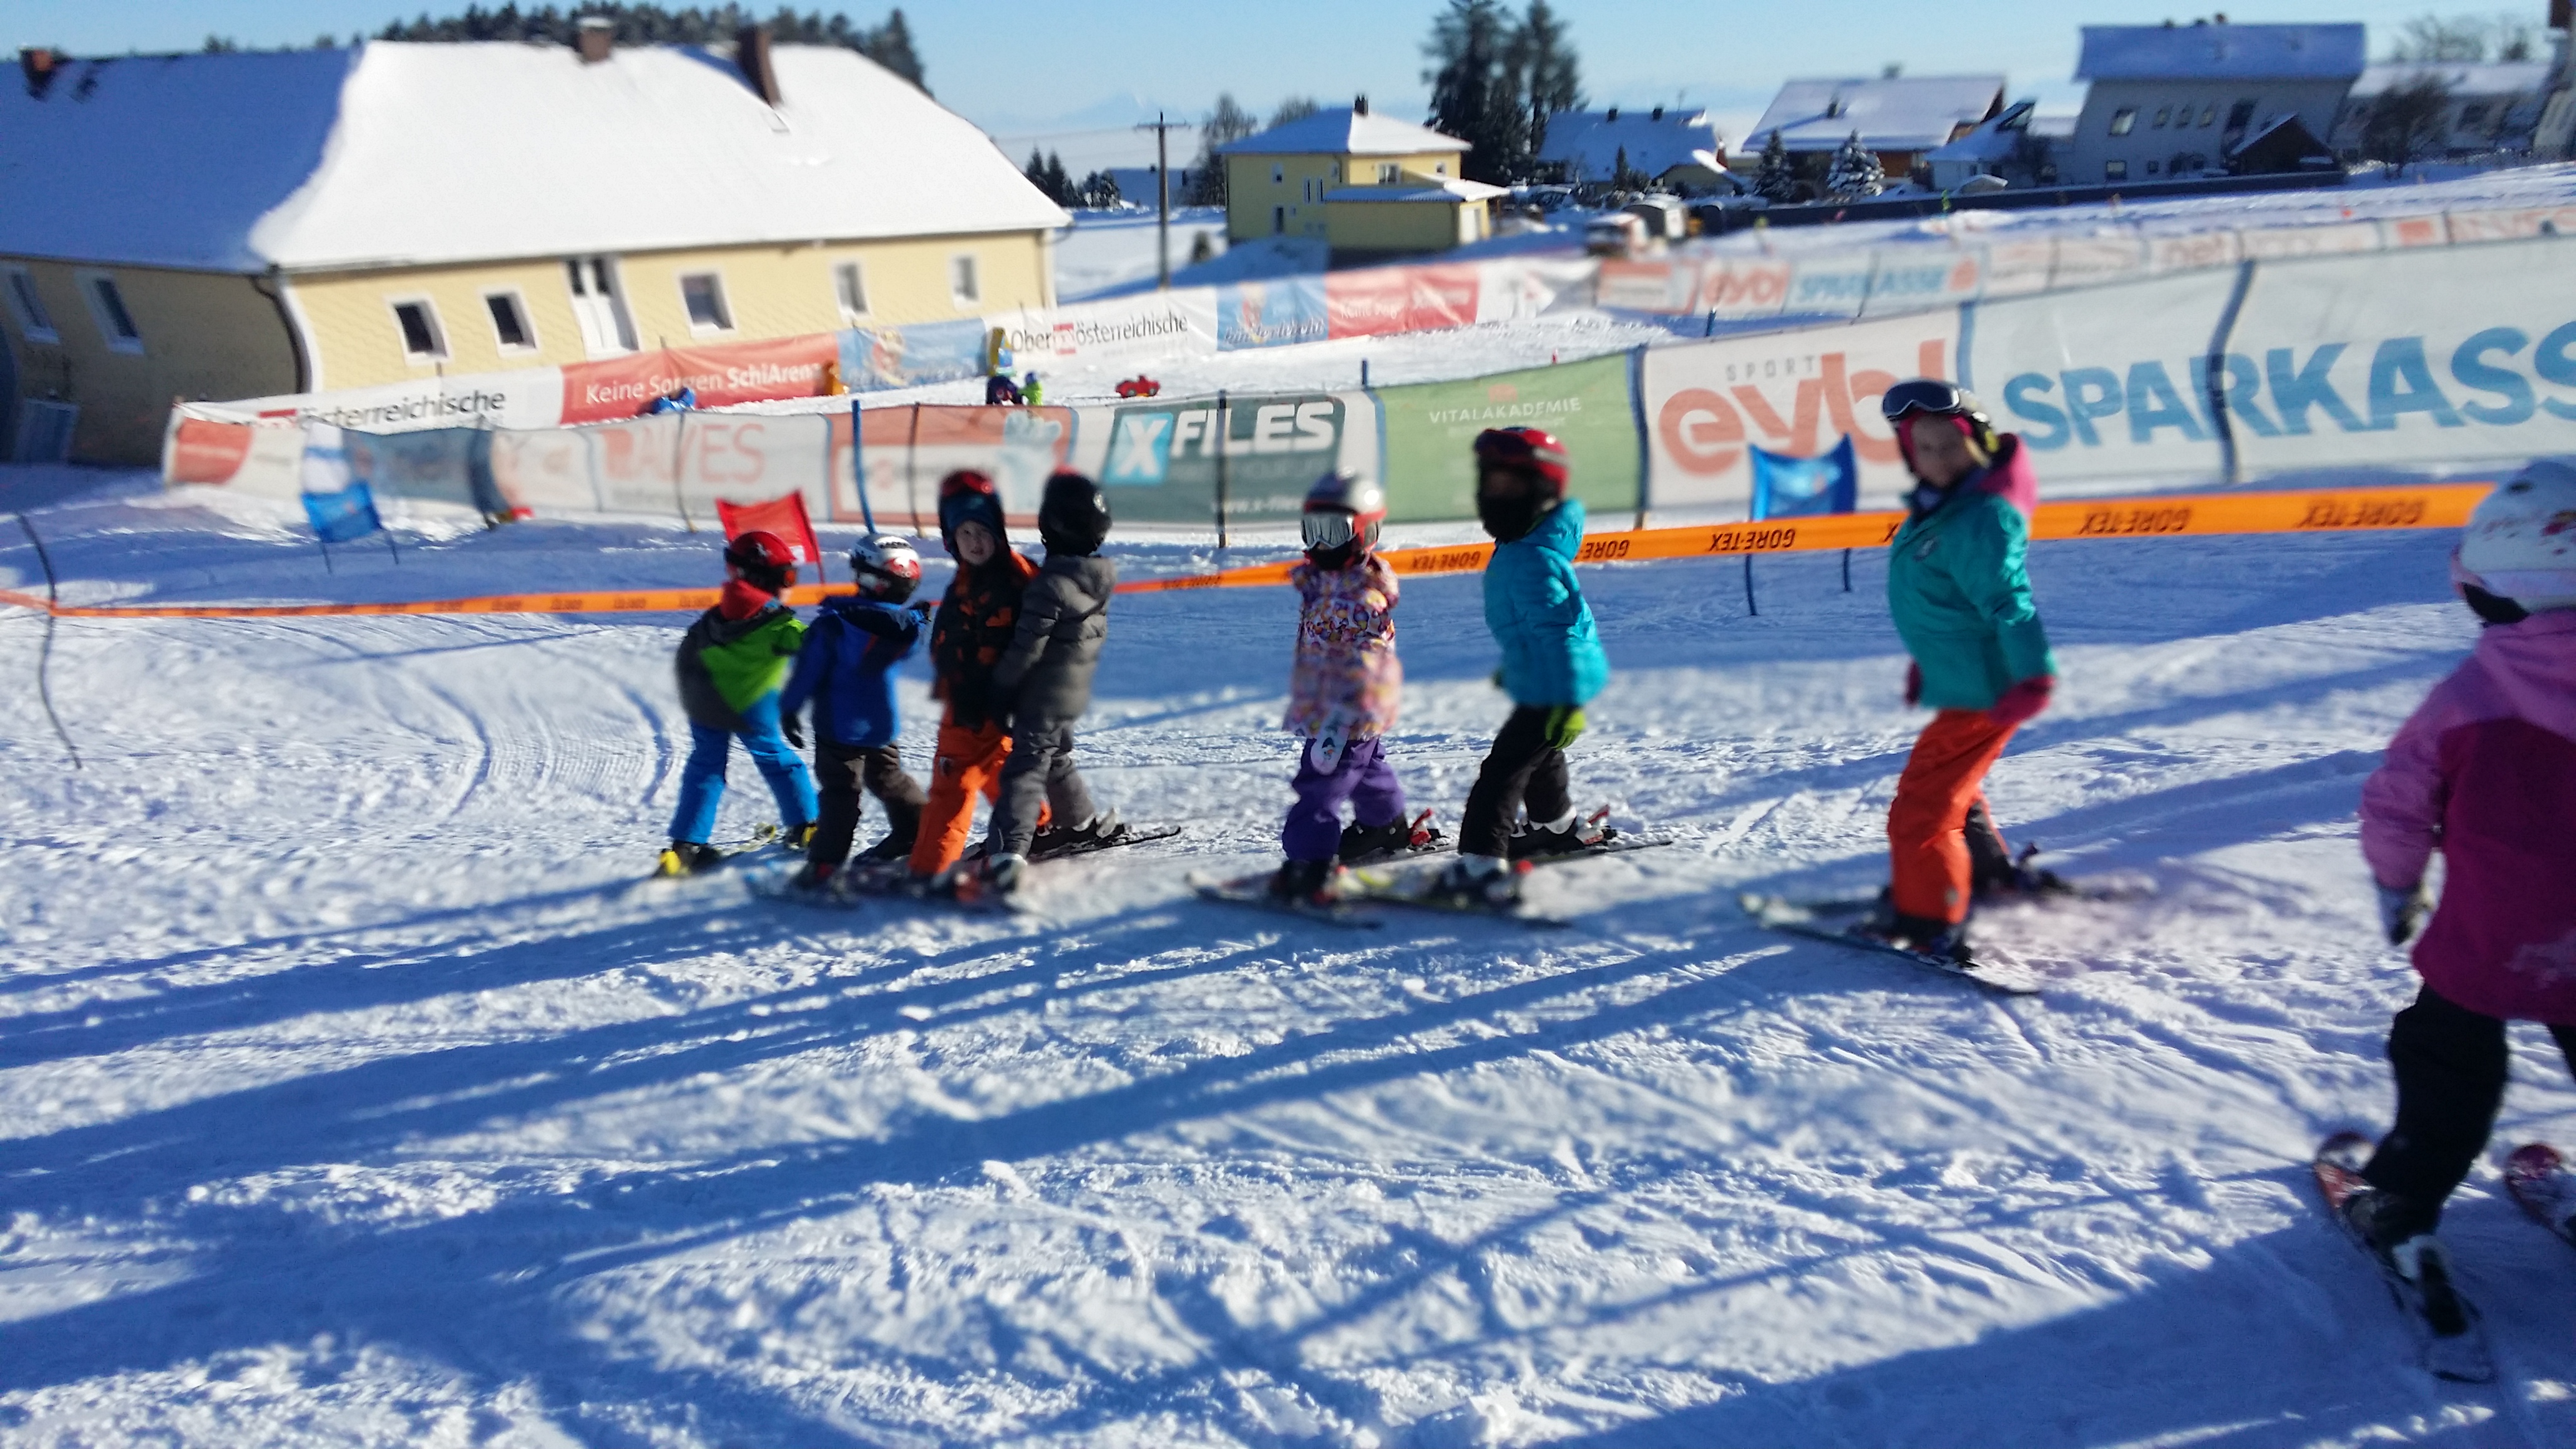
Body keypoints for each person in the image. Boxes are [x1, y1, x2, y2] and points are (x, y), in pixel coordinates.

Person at [2341, 462, 2576, 1267]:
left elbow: (2398, 807)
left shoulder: (2468, 698)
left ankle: (2402, 1205)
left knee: (2445, 1062)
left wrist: (2397, 886)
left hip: (2490, 937)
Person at [1868, 379, 2056, 960]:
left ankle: (1930, 920)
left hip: (1990, 689)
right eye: (1923, 448)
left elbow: (2008, 602)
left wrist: (2032, 676)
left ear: (1979, 443)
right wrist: (1929, 666)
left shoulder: (1980, 517)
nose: (1938, 459)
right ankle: (1987, 872)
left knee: (1922, 809)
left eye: (1949, 445)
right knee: (1954, 789)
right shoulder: (1946, 509)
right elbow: (1947, 605)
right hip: (1966, 681)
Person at [1428, 426, 1611, 907]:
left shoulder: (1535, 560)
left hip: (1556, 682)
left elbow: (1562, 635)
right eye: (1491, 483)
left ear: (1543, 490)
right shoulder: (1520, 547)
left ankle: (1481, 863)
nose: (1496, 495)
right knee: (1541, 755)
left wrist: (1568, 701)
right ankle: (1556, 826)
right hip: (1540, 677)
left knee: (1503, 771)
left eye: (1510, 486)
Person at [1272, 472, 1420, 903]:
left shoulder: (1362, 597)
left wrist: (1344, 711)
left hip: (1346, 709)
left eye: (1334, 531)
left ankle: (1310, 863)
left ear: (1365, 533)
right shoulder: (1332, 582)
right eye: (1312, 530)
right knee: (1367, 768)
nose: (1321, 544)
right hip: (1340, 704)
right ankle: (1384, 824)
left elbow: (1369, 656)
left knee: (1320, 783)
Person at [975, 471, 1122, 896]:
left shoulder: (1050, 585)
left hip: (1041, 692)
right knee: (1054, 754)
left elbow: (1028, 646)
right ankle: (1077, 820)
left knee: (1025, 767)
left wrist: (1001, 686)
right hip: (1072, 687)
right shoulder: (1095, 577)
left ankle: (1008, 852)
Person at [906, 471, 1051, 884]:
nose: (975, 542)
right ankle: (1037, 825)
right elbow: (951, 637)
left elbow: (1030, 642)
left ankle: (931, 869)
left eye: (983, 532)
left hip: (986, 701)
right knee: (997, 767)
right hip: (972, 700)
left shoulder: (1012, 579)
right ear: (952, 539)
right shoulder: (970, 579)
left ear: (998, 532)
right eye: (965, 533)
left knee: (952, 781)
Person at [660, 530, 819, 876]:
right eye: (789, 578)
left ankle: (685, 847)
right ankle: (806, 825)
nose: (792, 586)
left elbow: (688, 653)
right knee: (777, 759)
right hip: (750, 704)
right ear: (766, 580)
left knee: (706, 766)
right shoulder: (779, 625)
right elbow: (816, 649)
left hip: (704, 702)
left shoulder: (715, 616)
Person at [779, 533, 931, 889]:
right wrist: (918, 617)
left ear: (867, 578)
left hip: (838, 726)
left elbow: (808, 671)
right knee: (890, 779)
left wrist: (790, 708)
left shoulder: (834, 625)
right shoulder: (907, 628)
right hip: (881, 725)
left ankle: (825, 866)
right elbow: (902, 634)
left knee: (841, 792)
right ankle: (918, 832)